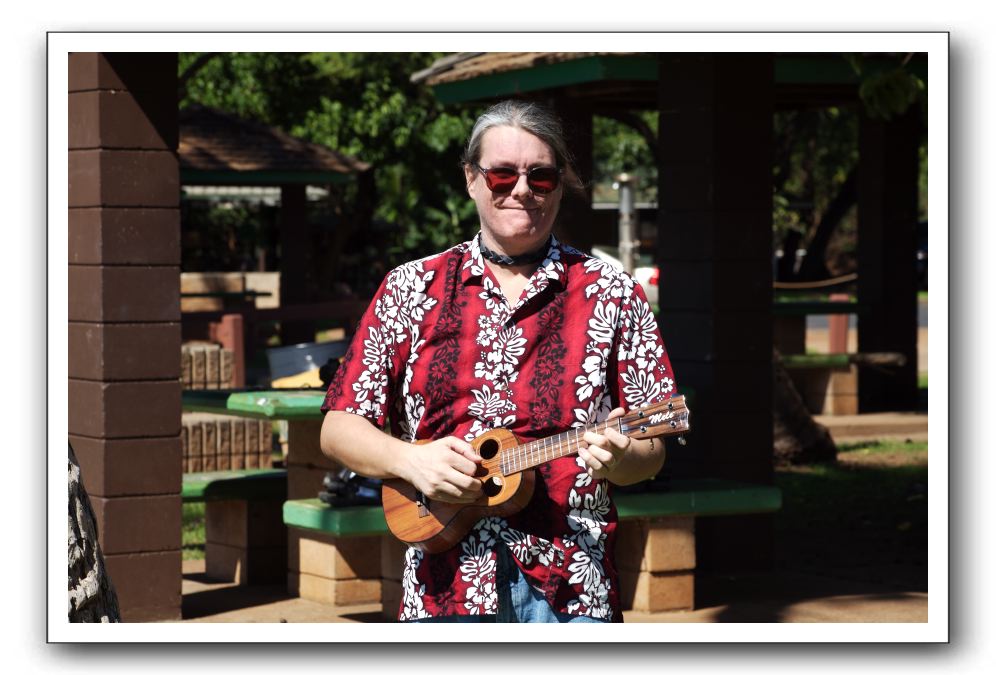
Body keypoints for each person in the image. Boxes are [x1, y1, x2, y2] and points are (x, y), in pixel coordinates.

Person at [320, 99, 677, 623]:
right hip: (444, 587)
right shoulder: (409, 288)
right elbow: (338, 426)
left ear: (560, 183)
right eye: (502, 174)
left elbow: (655, 441)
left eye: (542, 175)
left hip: (573, 585)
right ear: (471, 179)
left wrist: (624, 459)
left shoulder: (612, 291)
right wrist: (409, 461)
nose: (522, 189)